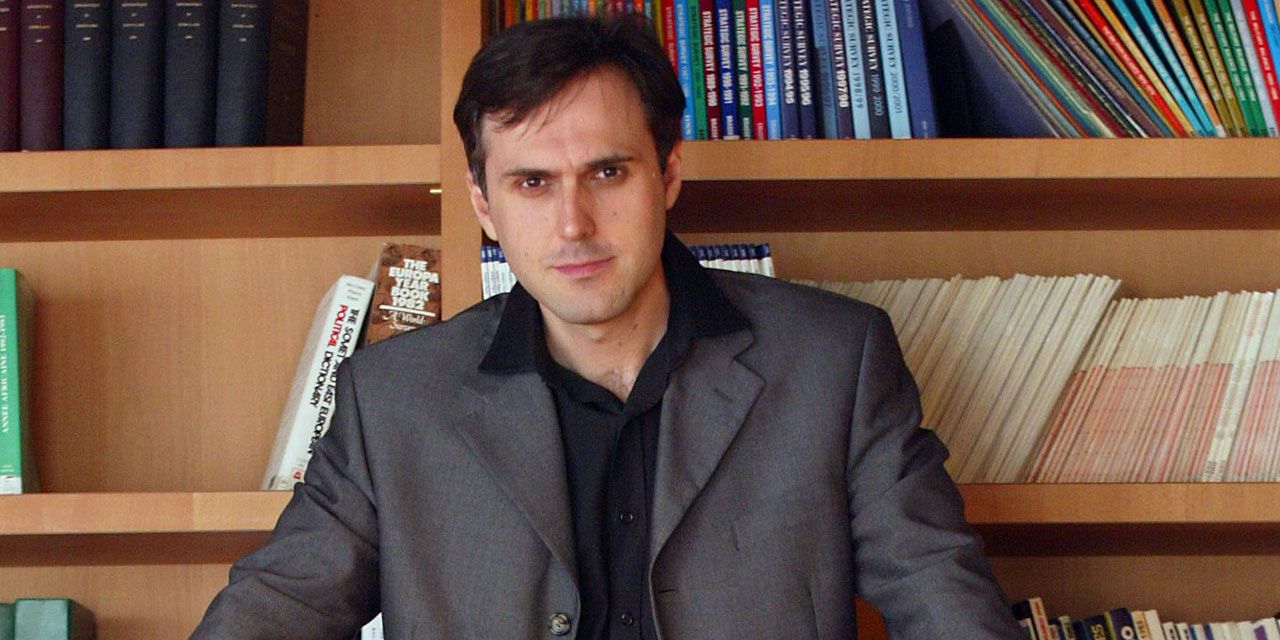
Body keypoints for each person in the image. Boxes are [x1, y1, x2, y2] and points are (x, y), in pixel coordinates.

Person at [191, 15, 1024, 640]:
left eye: (607, 172)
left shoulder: (835, 362)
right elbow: (275, 608)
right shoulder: (393, 399)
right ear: (484, 206)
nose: (573, 224)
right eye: (532, 183)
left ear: (668, 174)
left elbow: (944, 602)